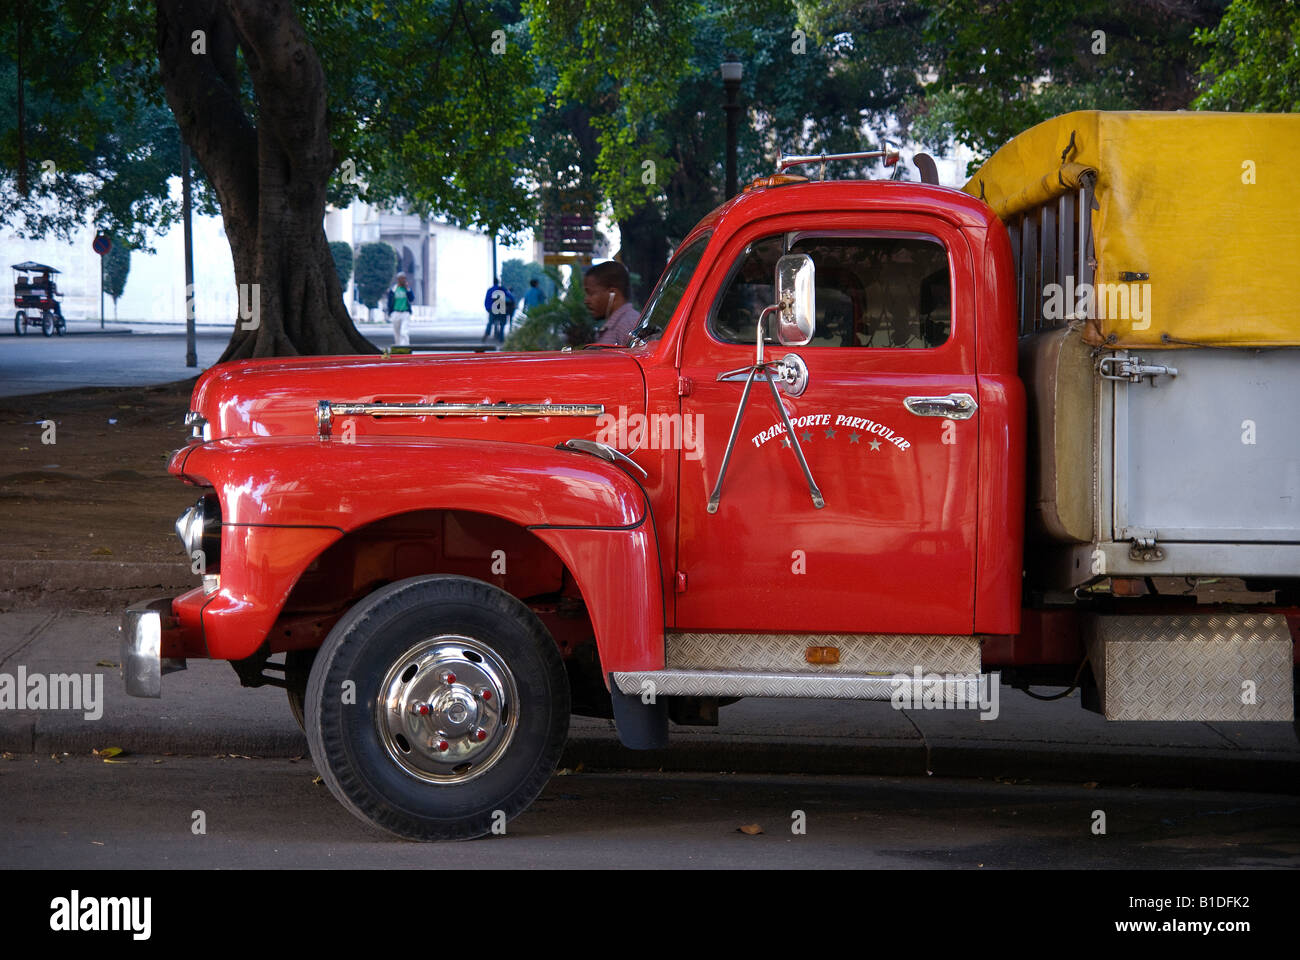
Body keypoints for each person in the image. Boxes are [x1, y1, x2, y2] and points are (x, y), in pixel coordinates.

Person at [584, 260, 639, 346]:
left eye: (591, 293)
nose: (586, 300)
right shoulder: (615, 325)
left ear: (612, 293)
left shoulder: (628, 324)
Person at [483, 277, 515, 343]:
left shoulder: (489, 290)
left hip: (492, 309)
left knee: (490, 322)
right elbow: (511, 297)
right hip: (501, 308)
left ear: (493, 282)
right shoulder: (502, 289)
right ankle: (501, 338)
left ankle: (486, 334)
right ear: (498, 282)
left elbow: (486, 301)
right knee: (502, 323)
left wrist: (488, 309)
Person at [386, 273, 413, 347]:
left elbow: (411, 299)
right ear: (398, 279)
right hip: (395, 313)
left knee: (404, 332)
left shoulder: (407, 289)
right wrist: (389, 313)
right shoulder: (394, 289)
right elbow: (389, 301)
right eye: (401, 278)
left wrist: (408, 289)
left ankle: (405, 347)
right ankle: (398, 348)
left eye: (404, 278)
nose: (403, 280)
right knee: (396, 333)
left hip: (405, 313)